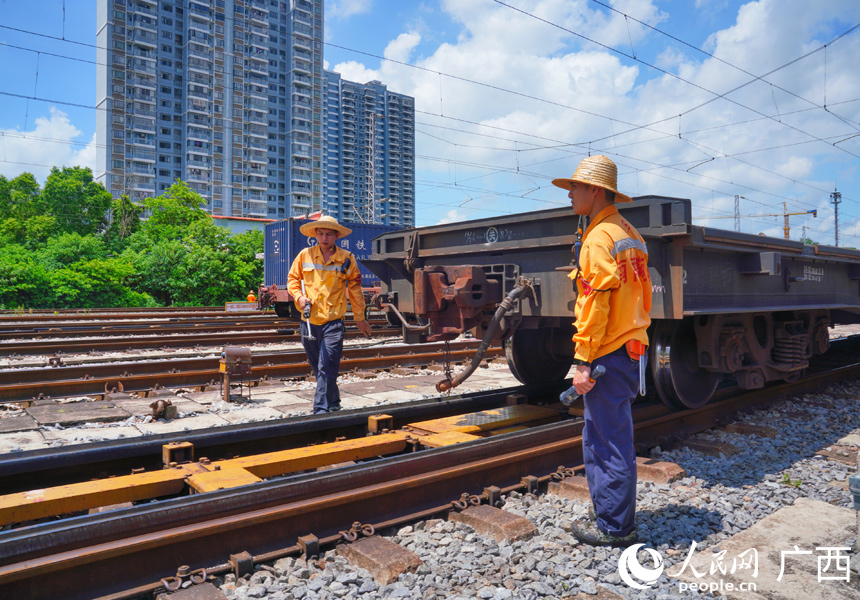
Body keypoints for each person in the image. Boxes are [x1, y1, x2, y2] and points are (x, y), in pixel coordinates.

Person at [551, 155, 652, 547]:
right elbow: (640, 296)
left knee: (605, 441)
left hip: (607, 351)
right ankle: (611, 512)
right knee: (610, 436)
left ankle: (613, 527)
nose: (570, 194)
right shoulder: (630, 233)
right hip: (629, 347)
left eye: (575, 187)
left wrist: (582, 360)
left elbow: (595, 303)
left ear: (595, 191)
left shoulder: (597, 239)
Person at [287, 216, 372, 414]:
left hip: (334, 321)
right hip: (308, 321)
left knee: (327, 364)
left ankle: (320, 410)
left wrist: (359, 318)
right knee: (319, 367)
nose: (324, 238)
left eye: (329, 234)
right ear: (315, 234)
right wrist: (299, 297)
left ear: (336, 236)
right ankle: (333, 401)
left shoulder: (347, 258)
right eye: (321, 233)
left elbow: (356, 289)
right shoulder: (304, 255)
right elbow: (292, 280)